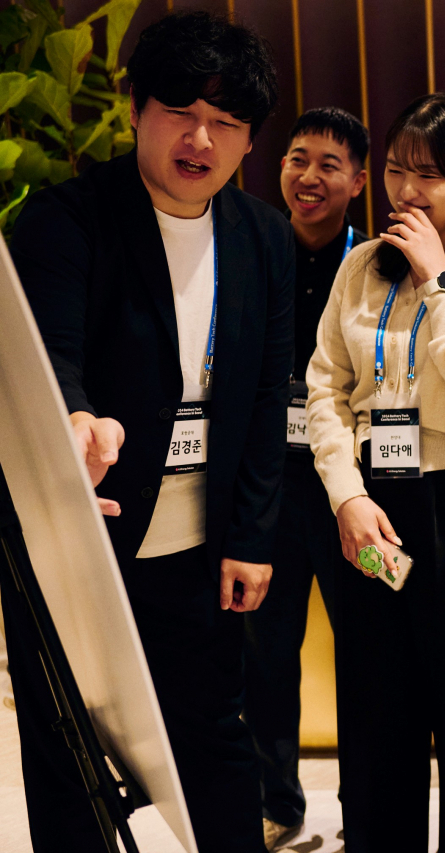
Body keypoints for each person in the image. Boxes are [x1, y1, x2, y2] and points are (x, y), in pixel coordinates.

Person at [2, 11, 291, 851]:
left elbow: (269, 394)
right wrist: (76, 423)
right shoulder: (69, 218)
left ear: (247, 142)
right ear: (137, 109)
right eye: (180, 109)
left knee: (212, 737)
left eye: (227, 122)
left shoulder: (261, 237)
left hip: (198, 553)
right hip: (83, 534)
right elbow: (47, 358)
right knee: (68, 751)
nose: (200, 137)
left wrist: (252, 536)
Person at [306, 92, 445, 852]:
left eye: (429, 175)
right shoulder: (360, 265)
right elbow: (325, 387)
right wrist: (346, 495)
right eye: (395, 171)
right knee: (375, 715)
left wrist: (437, 279)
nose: (407, 191)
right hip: (370, 506)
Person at [243, 106, 369, 851]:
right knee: (264, 656)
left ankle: (369, 801)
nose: (310, 175)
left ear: (358, 179)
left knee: (365, 652)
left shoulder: (376, 261)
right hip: (267, 486)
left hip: (350, 489)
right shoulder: (254, 251)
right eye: (298, 158)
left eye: (329, 162)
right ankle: (276, 803)